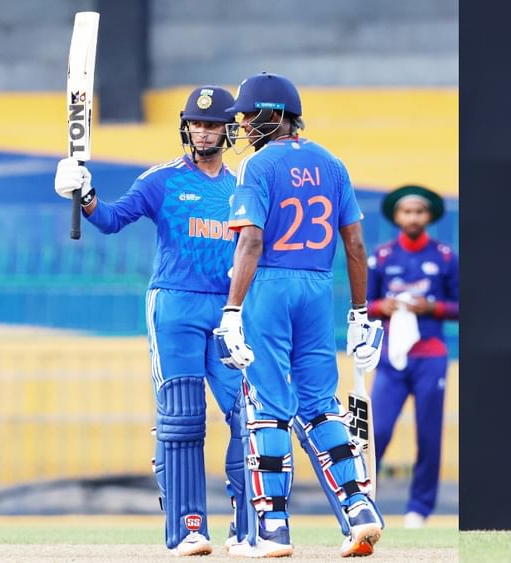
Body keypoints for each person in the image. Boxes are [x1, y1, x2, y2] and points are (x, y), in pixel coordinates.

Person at [53, 86, 243, 556]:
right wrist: (86, 194)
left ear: (228, 129)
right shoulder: (163, 179)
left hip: (228, 309)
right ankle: (188, 528)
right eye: (196, 123)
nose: (203, 131)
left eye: (213, 123)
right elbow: (113, 219)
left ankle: (249, 526)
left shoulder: (243, 187)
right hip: (175, 305)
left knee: (248, 414)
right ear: (186, 127)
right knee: (182, 418)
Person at [214, 72, 385, 558]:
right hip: (317, 287)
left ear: (274, 115)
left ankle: (272, 530)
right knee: (319, 405)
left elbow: (250, 240)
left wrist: (231, 311)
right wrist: (358, 313)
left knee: (265, 407)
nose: (243, 124)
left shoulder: (256, 167)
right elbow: (354, 244)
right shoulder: (332, 163)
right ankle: (359, 508)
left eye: (249, 115)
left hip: (268, 285)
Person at [366, 184, 458, 529]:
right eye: (407, 211)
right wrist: (383, 306)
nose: (413, 217)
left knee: (429, 434)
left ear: (429, 216)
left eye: (419, 211)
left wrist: (432, 307)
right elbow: (364, 305)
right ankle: (364, 501)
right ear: (396, 216)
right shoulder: (383, 256)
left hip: (431, 355)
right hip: (391, 356)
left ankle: (419, 508)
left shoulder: (445, 256)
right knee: (378, 431)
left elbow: (460, 305)